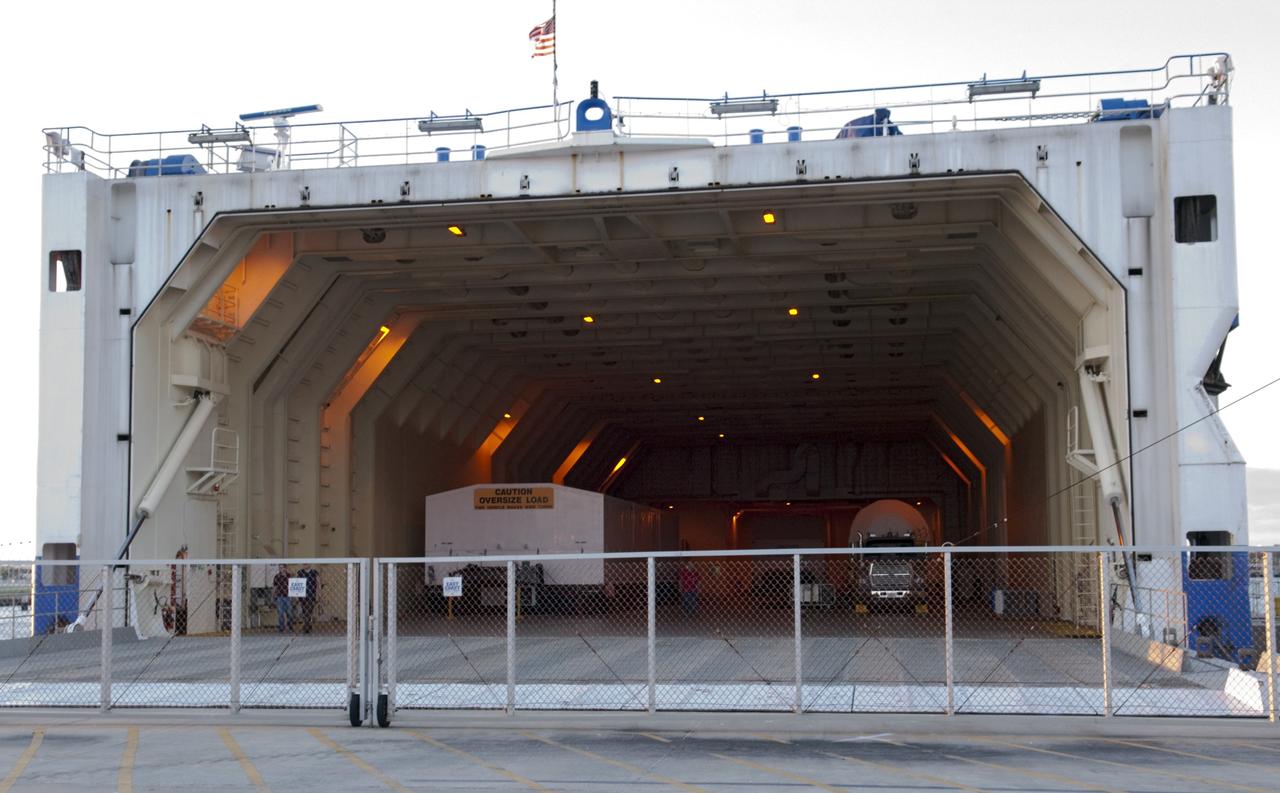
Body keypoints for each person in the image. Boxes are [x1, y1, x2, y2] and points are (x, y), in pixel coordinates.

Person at [297, 566, 320, 634]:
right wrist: (296, 594)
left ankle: (306, 626)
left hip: (311, 595)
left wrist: (319, 594)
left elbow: (318, 583)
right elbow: (297, 583)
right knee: (304, 611)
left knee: (309, 611)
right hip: (302, 596)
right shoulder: (300, 572)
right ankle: (308, 625)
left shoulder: (314, 572)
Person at [272, 564, 293, 632]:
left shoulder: (289, 576)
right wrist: (273, 594)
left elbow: (294, 584)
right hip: (280, 596)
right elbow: (275, 586)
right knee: (281, 612)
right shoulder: (277, 576)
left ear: (285, 568)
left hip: (288, 596)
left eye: (282, 568)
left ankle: (290, 626)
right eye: (279, 568)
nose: (280, 569)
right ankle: (281, 627)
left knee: (289, 612)